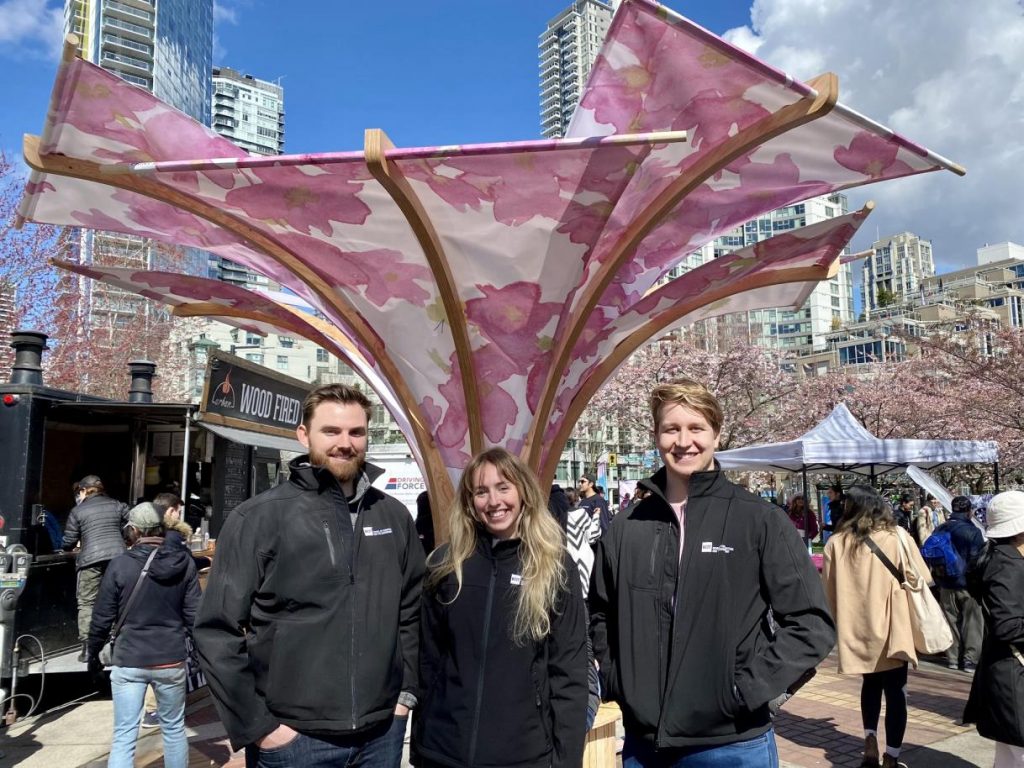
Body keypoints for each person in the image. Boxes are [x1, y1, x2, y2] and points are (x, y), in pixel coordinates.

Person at [591, 379, 835, 767]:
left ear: (716, 435)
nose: (683, 441)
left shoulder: (759, 520)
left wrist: (744, 690)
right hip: (645, 744)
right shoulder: (626, 528)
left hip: (732, 743)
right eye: (671, 428)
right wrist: (622, 682)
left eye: (696, 428)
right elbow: (600, 614)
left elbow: (811, 624)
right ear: (656, 436)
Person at [195, 383, 426, 768]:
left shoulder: (392, 517)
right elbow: (216, 630)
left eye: (356, 432)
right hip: (293, 740)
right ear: (304, 435)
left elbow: (411, 612)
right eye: (331, 431)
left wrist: (405, 696)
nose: (345, 443)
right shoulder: (259, 518)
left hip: (381, 733)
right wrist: (261, 727)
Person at [414, 447, 588, 768]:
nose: (494, 502)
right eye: (481, 492)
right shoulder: (446, 565)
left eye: (503, 487)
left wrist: (566, 760)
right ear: (470, 502)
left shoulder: (553, 567)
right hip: (444, 751)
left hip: (523, 753)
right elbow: (428, 662)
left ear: (522, 492)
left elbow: (570, 674)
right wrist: (422, 744)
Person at [823, 485, 934, 768]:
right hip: (892, 625)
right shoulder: (897, 537)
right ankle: (892, 756)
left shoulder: (836, 543)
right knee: (897, 691)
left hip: (857, 627)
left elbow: (829, 592)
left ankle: (870, 740)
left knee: (869, 684)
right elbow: (922, 577)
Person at [87, 502, 201, 768]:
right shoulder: (184, 562)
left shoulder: (120, 564)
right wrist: (200, 652)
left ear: (134, 531)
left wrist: (93, 653)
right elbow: (195, 614)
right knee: (173, 729)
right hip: (170, 656)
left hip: (129, 658)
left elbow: (102, 617)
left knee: (125, 735)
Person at [963, 490, 1024, 767]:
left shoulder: (1001, 558)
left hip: (1006, 670)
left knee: (1009, 754)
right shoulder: (1008, 564)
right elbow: (1008, 625)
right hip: (1013, 675)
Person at [62, 474, 130, 662]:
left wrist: (68, 547)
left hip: (90, 561)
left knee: (87, 602)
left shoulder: (78, 511)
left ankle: (87, 649)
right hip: (118, 558)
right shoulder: (117, 505)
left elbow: (68, 541)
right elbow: (132, 525)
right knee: (117, 599)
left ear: (84, 490)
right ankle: (117, 645)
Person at [931, 495, 987, 671]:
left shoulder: (940, 528)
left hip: (945, 583)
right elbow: (977, 560)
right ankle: (970, 660)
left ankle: (953, 658)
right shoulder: (973, 532)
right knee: (973, 623)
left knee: (950, 621)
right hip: (968, 585)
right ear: (969, 512)